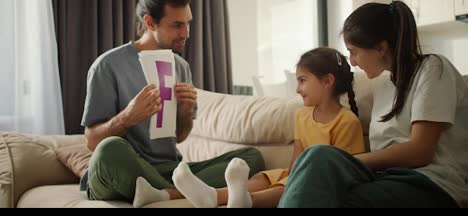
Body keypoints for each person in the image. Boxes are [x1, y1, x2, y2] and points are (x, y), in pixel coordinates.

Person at [80, 0, 265, 205]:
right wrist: (127, 117)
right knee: (109, 150)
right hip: (124, 167)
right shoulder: (108, 65)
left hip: (170, 169)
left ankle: (163, 192)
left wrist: (186, 112)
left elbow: (179, 136)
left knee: (250, 157)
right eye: (177, 25)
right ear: (150, 22)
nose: (186, 33)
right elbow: (92, 141)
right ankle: (183, 190)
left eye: (188, 23)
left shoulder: (180, 66)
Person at [278, 0, 468, 208]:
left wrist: (350, 162)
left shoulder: (434, 68)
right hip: (384, 179)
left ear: (381, 48)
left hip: (430, 183)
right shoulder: (385, 86)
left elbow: (420, 151)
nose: (352, 61)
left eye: (354, 51)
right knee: (318, 162)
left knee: (326, 167)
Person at [135, 47, 366, 208]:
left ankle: (246, 201)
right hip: (295, 173)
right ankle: (213, 196)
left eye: (303, 80)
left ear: (327, 81)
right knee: (261, 178)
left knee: (282, 184)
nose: (297, 88)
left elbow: (348, 171)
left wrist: (298, 179)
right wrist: (293, 175)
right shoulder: (302, 116)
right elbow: (296, 158)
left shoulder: (346, 123)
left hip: (321, 182)